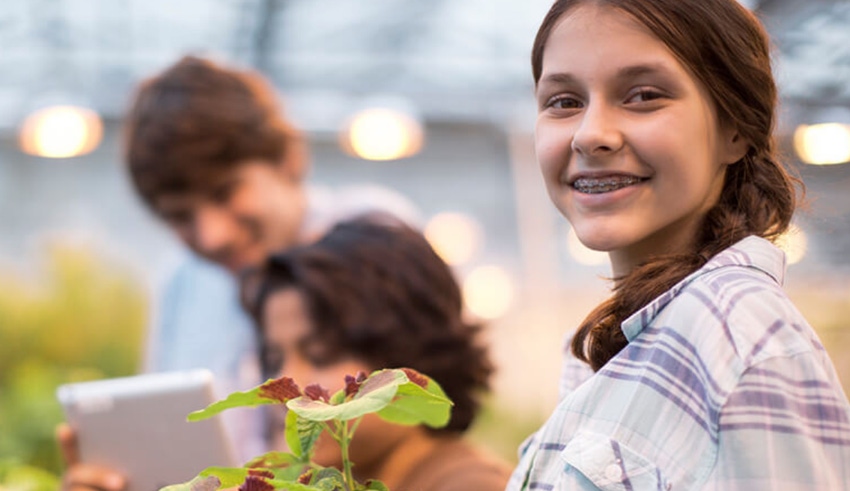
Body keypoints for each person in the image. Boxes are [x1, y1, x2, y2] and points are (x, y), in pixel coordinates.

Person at [507, 0, 850, 490]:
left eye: (643, 95)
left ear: (736, 128)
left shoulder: (741, 335)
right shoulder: (630, 339)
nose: (590, 135)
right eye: (564, 102)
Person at [59, 55, 419, 490]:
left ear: (289, 157)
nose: (211, 236)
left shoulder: (370, 234)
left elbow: (418, 417)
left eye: (225, 191)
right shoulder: (182, 283)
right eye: (181, 216)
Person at [240, 215, 512, 490]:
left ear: (409, 356)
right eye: (273, 361)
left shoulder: (470, 484)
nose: (286, 384)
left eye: (320, 355)